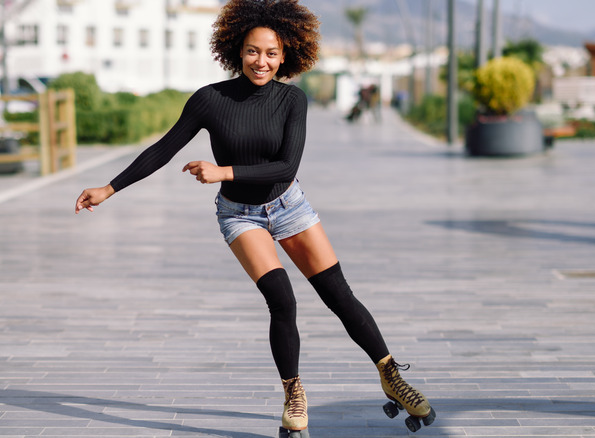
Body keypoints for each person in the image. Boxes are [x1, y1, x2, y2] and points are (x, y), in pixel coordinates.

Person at [74, 0, 435, 433]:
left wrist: (221, 171)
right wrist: (108, 188)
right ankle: (294, 393)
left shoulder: (291, 100)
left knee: (338, 295)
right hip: (240, 216)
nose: (261, 61)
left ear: (285, 56)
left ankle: (391, 376)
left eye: (270, 53)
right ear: (236, 50)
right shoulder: (210, 100)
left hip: (289, 205)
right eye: (252, 51)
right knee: (282, 299)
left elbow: (286, 168)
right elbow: (162, 149)